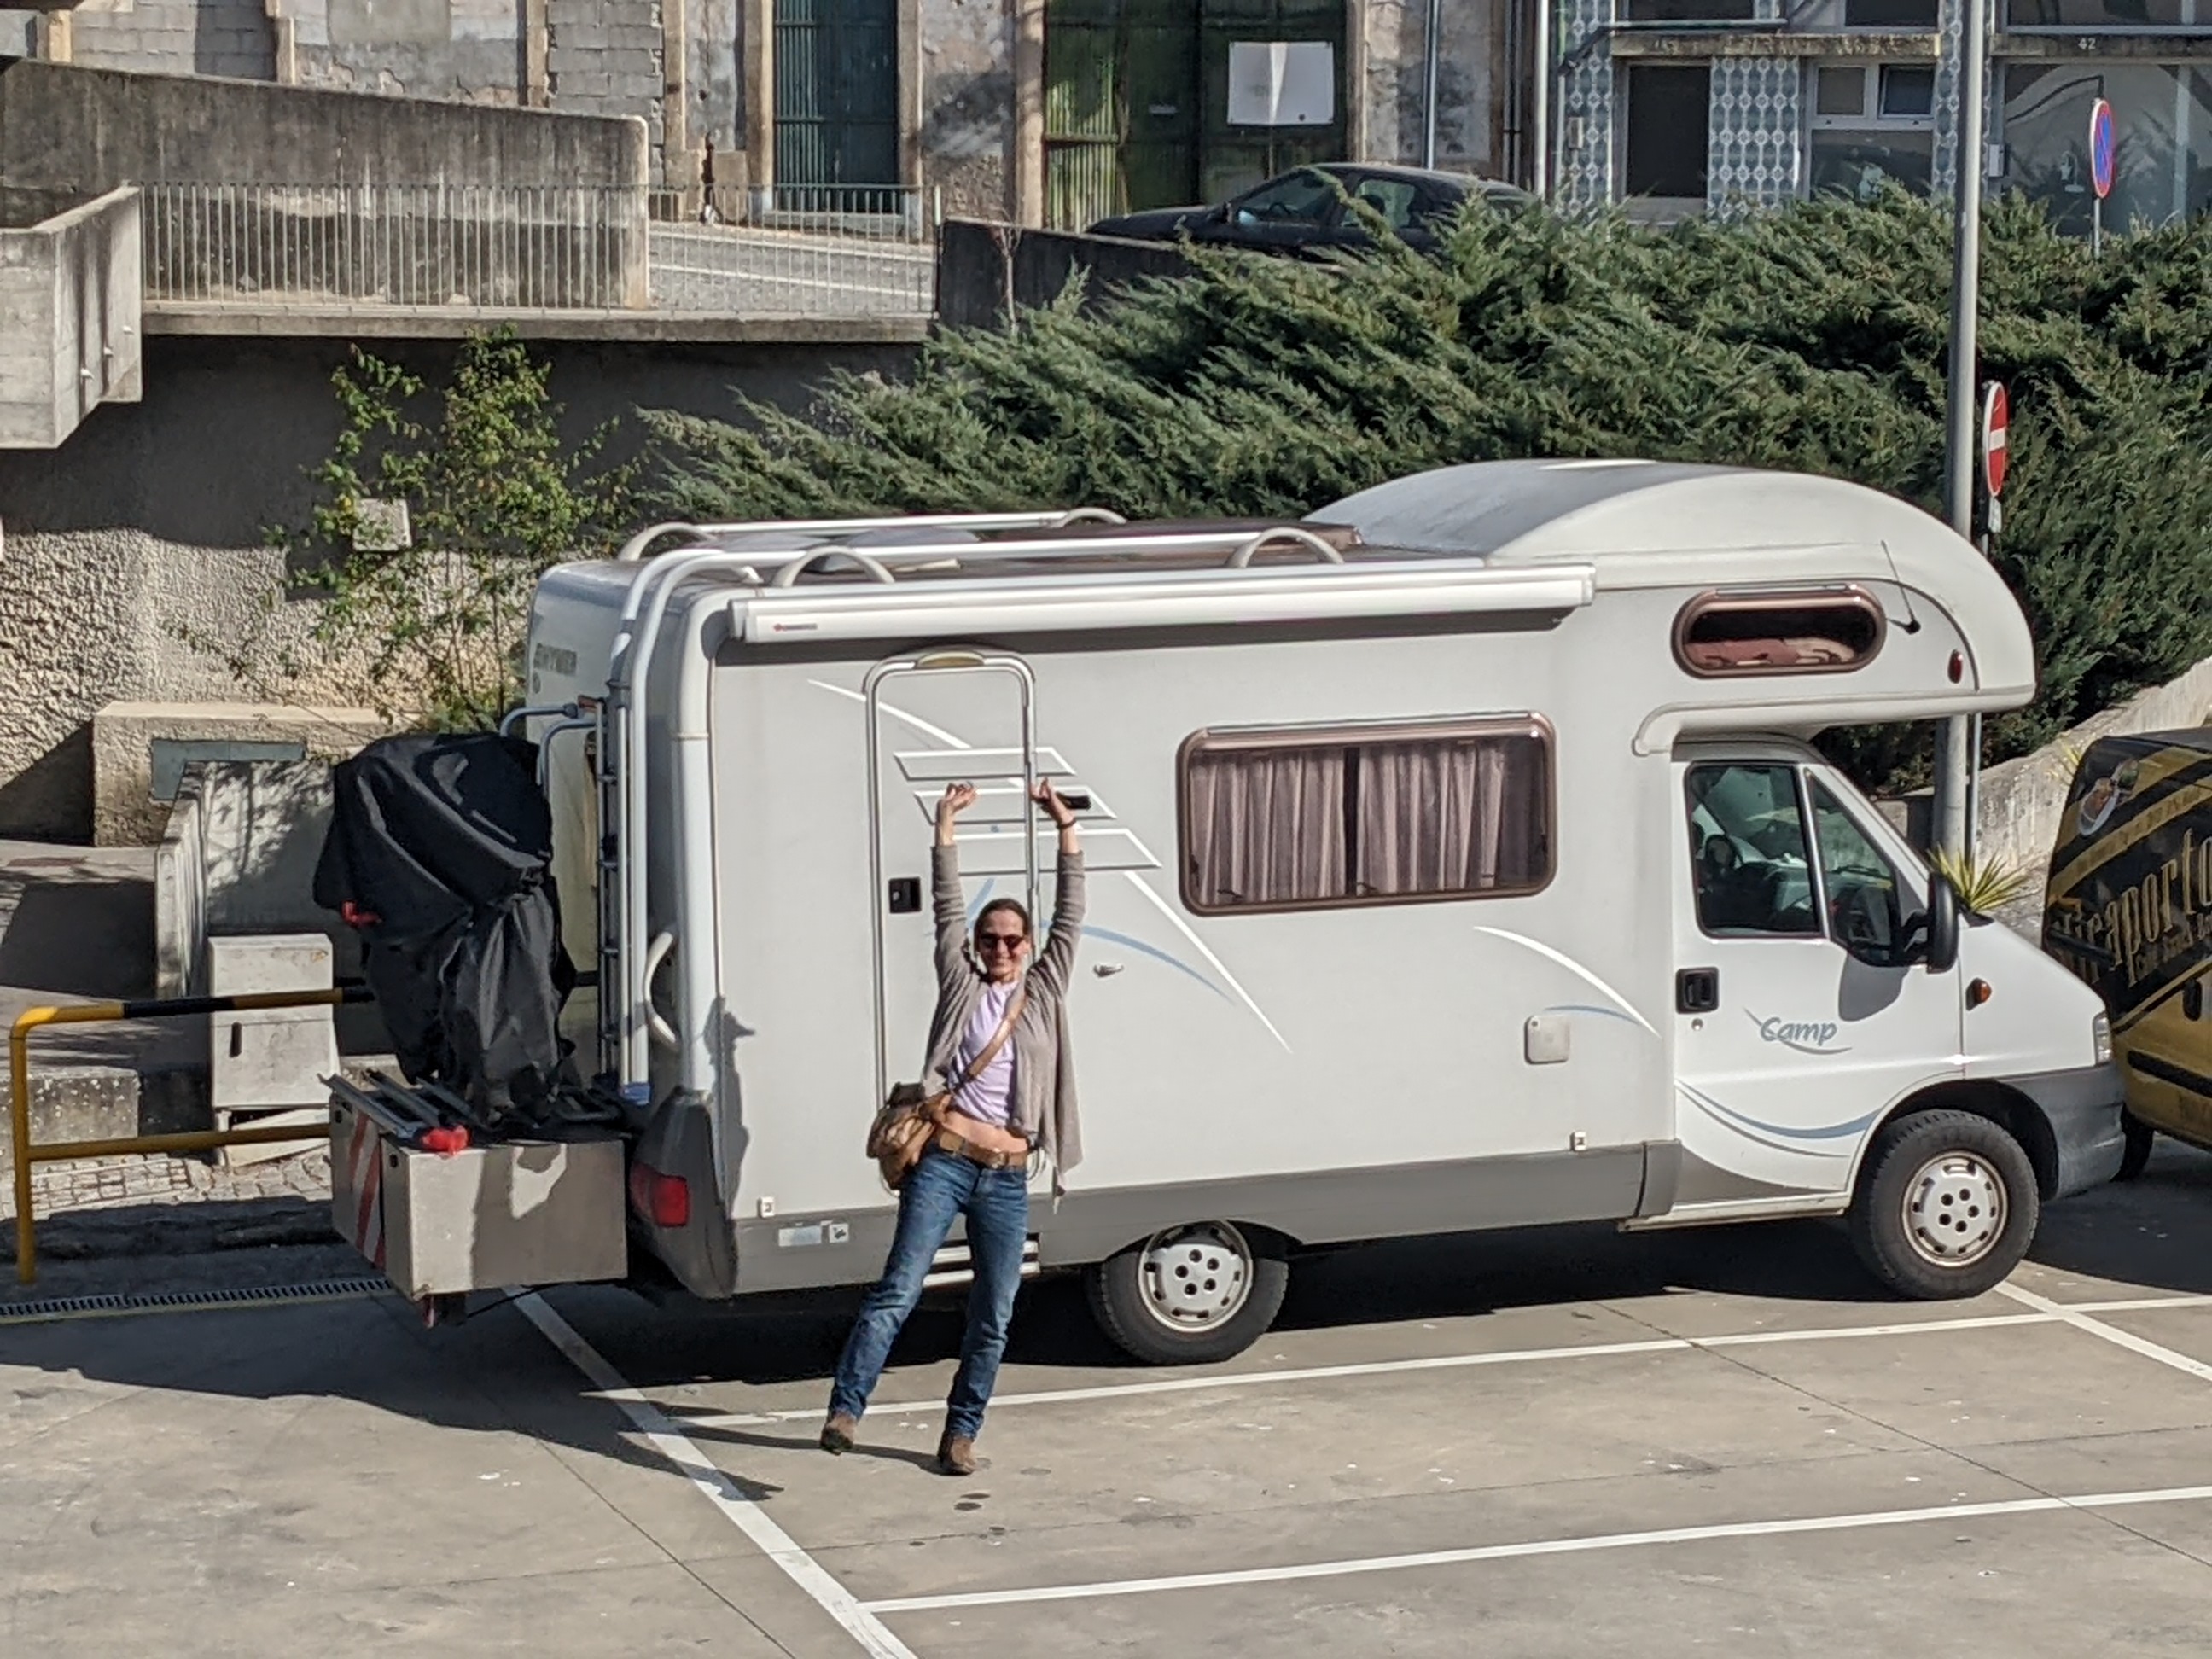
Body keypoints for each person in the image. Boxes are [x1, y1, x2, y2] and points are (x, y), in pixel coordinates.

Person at [822, 778, 1086, 1476]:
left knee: (994, 1313)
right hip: (944, 1161)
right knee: (899, 1290)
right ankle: (846, 1411)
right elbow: (945, 907)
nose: (1000, 948)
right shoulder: (962, 984)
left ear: (1028, 946)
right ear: (976, 944)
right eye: (989, 939)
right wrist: (944, 827)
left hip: (1007, 1177)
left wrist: (1066, 829)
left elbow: (1072, 913)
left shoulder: (1044, 989)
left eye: (1011, 940)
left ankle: (960, 1435)